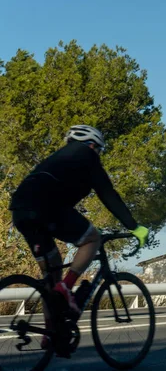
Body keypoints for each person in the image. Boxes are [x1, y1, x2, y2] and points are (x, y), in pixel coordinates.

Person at [9, 125, 149, 323]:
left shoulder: (57, 159)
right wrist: (133, 226)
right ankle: (67, 287)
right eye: (99, 150)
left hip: (21, 211)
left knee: (52, 272)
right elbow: (107, 193)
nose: (98, 155)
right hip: (47, 206)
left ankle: (51, 335)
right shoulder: (87, 155)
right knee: (92, 238)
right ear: (92, 145)